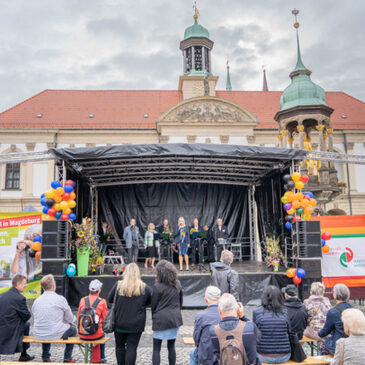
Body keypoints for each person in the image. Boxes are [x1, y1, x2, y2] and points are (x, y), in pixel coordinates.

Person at [108, 263, 151, 365]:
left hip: (120, 322)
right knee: (132, 347)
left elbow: (109, 299)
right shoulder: (145, 288)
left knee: (119, 346)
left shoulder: (118, 285)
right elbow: (150, 302)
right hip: (136, 324)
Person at [32, 274, 77, 363]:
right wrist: (70, 322)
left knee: (47, 325)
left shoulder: (36, 301)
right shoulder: (60, 299)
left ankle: (45, 357)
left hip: (38, 332)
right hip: (53, 331)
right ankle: (67, 357)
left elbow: (35, 314)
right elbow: (70, 317)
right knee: (73, 330)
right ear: (53, 286)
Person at [210, 293, 261, 365]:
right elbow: (259, 339)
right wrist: (243, 317)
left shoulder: (213, 331)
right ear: (237, 309)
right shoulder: (250, 327)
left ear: (219, 310)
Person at [151, 260, 183, 365]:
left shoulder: (157, 286)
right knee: (171, 346)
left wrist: (154, 317)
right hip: (174, 318)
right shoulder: (178, 284)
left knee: (156, 348)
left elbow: (153, 305)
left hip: (160, 319)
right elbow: (180, 302)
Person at [253, 285, 291, 364]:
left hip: (263, 355)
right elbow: (289, 330)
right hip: (284, 356)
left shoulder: (257, 312)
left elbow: (254, 333)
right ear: (279, 297)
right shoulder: (285, 311)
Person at [0, 274, 34, 361]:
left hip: (1, 326)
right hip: (11, 328)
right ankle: (24, 354)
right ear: (18, 285)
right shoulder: (20, 298)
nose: (26, 285)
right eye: (24, 283)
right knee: (26, 324)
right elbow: (27, 316)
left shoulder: (2, 295)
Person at [77, 279, 108, 363]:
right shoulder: (102, 301)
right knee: (102, 333)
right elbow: (105, 318)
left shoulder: (82, 300)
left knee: (99, 332)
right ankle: (101, 357)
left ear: (89, 289)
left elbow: (78, 316)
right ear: (99, 290)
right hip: (96, 335)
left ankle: (98, 358)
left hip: (82, 333)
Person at [190, 286, 221, 365]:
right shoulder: (224, 314)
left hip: (206, 355)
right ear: (219, 299)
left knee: (192, 353)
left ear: (206, 299)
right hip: (223, 353)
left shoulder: (201, 316)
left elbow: (196, 338)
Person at [318, 283, 352, 355]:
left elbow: (325, 331)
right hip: (351, 343)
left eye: (333, 292)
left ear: (335, 294)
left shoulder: (333, 312)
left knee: (323, 345)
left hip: (338, 345)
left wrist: (318, 333)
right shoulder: (353, 309)